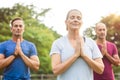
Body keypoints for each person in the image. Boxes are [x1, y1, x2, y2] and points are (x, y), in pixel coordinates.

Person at [50, 9, 104, 80]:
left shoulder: (91, 42)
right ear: (66, 22)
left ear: (81, 22)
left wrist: (84, 56)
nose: (75, 20)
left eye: (79, 18)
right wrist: (75, 55)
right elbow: (55, 70)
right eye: (72, 17)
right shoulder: (58, 43)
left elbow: (100, 69)